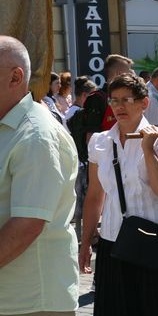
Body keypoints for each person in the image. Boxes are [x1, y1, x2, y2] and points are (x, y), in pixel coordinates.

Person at [79, 74, 158, 315]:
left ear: (144, 103)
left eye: (126, 99)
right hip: (113, 239)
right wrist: (86, 240)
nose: (119, 106)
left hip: (154, 238)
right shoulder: (99, 142)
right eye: (114, 100)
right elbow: (95, 196)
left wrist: (148, 150)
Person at [0, 36, 79, 316]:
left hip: (31, 303)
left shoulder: (36, 134)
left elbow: (27, 224)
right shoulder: (10, 127)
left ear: (15, 77)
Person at [65, 76, 98, 240]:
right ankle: (86, 234)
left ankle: (88, 233)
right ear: (84, 96)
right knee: (82, 201)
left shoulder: (72, 112)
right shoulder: (76, 114)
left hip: (80, 162)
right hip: (79, 162)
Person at [83, 54, 133, 136]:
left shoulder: (129, 97)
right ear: (119, 74)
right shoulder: (97, 98)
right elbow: (91, 136)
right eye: (128, 73)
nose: (131, 76)